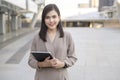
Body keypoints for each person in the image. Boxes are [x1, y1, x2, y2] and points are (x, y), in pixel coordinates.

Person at [28, 4, 77, 80]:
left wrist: (63, 64)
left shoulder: (67, 36)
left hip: (60, 77)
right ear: (43, 19)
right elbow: (31, 60)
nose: (51, 21)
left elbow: (73, 57)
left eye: (54, 17)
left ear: (59, 17)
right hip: (42, 77)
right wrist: (42, 64)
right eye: (47, 17)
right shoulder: (37, 37)